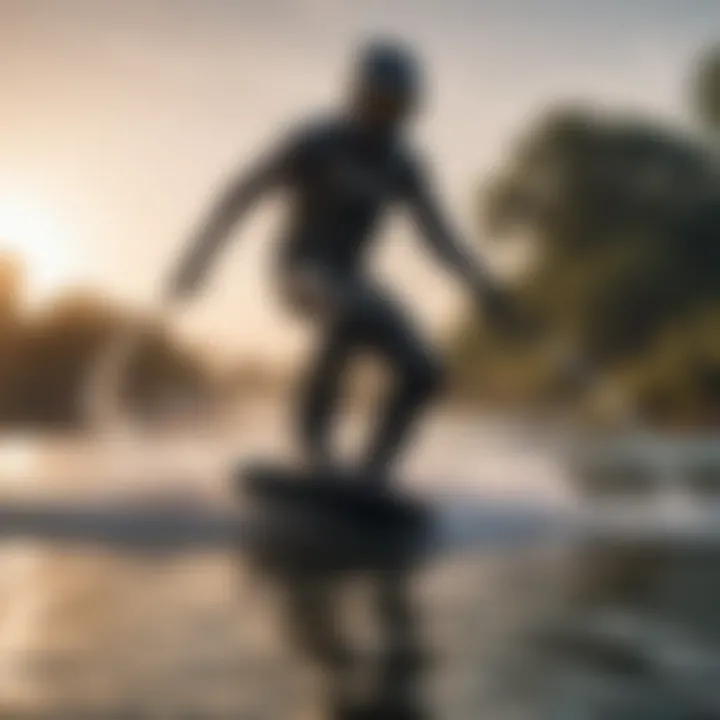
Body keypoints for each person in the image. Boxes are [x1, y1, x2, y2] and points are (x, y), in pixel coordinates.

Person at [168, 39, 513, 482]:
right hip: (299, 271)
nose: (385, 117)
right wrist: (197, 259)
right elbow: (239, 194)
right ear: (357, 96)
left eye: (397, 108)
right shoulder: (314, 143)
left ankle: (372, 475)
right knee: (347, 312)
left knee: (425, 369)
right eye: (378, 103)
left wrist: (484, 288)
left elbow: (439, 237)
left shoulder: (403, 165)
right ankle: (316, 454)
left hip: (353, 279)